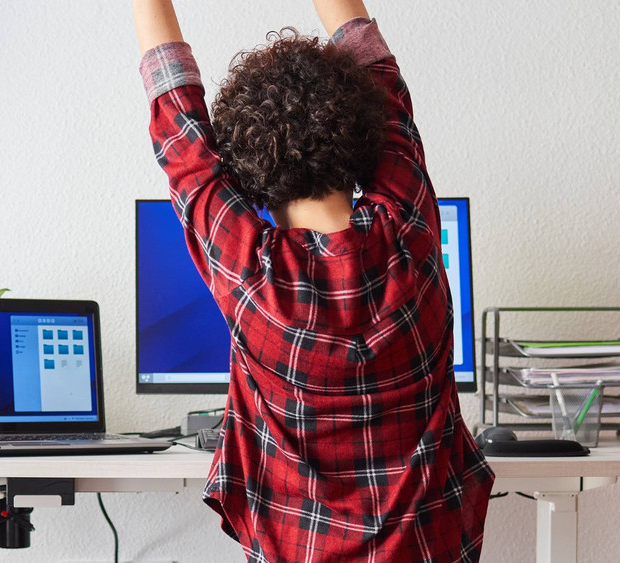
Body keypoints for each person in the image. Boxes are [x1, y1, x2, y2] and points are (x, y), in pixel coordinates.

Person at [132, 1, 494, 560]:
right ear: (362, 134)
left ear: (245, 171)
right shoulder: (410, 227)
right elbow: (377, 69)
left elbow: (182, 135)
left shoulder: (250, 271)